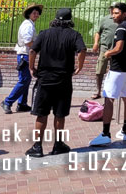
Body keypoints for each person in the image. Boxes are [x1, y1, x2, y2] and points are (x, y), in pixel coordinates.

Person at [26, 8, 86, 158]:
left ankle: (37, 146)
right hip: (64, 79)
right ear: (69, 20)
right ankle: (58, 144)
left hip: (45, 78)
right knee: (60, 114)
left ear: (55, 19)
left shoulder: (44, 34)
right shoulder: (74, 35)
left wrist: (31, 67)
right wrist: (79, 67)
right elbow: (82, 50)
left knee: (41, 113)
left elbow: (32, 51)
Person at [89, 3, 126, 146]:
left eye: (116, 13)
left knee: (109, 99)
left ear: (124, 13)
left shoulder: (121, 28)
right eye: (113, 13)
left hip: (117, 70)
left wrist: (109, 52)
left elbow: (119, 47)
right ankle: (125, 130)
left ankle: (105, 133)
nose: (113, 16)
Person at [2, 4, 41, 114]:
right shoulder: (28, 25)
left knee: (26, 80)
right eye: (34, 12)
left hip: (26, 55)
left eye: (37, 13)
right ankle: (7, 102)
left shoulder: (30, 24)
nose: (36, 15)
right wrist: (39, 46)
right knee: (24, 80)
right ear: (29, 14)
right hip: (24, 55)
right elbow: (28, 42)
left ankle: (22, 104)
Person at [90, 9, 119, 99]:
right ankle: (98, 91)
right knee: (99, 70)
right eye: (112, 8)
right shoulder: (105, 19)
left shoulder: (123, 20)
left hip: (117, 49)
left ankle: (114, 91)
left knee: (116, 71)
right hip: (104, 48)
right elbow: (98, 32)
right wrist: (96, 43)